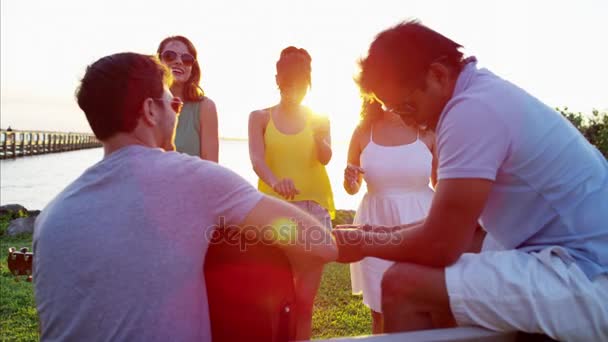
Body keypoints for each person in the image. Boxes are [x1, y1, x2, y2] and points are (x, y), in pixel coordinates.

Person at [32, 52, 337, 341]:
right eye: (173, 105)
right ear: (151, 111)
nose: (177, 112)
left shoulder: (52, 215)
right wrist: (277, 233)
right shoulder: (195, 180)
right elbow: (318, 240)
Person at [333, 20, 608, 341]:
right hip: (573, 255)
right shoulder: (482, 92)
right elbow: (471, 237)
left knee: (401, 285)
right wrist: (369, 233)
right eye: (394, 110)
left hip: (589, 273)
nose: (409, 120)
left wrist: (364, 242)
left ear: (437, 74)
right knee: (446, 272)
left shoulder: (469, 111)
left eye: (407, 106)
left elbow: (442, 245)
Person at [248, 46, 335, 340]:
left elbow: (325, 158)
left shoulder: (319, 117)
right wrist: (276, 182)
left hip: (314, 211)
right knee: (273, 300)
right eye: (287, 83)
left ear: (308, 83)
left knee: (304, 304)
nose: (292, 89)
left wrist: (321, 138)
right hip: (276, 215)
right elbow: (258, 161)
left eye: (299, 84)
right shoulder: (259, 117)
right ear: (277, 80)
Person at [344, 100, 436, 333]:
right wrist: (350, 180)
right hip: (375, 225)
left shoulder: (427, 130)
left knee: (424, 308)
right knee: (380, 309)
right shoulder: (363, 131)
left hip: (422, 223)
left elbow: (442, 183)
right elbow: (352, 187)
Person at [157, 36, 218, 161]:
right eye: (170, 56)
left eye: (187, 59)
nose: (179, 61)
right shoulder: (146, 104)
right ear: (158, 61)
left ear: (192, 68)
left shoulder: (205, 107)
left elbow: (211, 165)